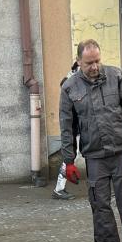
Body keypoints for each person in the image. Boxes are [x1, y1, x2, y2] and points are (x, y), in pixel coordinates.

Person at [59, 39, 122, 242]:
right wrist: (68, 161)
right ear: (79, 62)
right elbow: (67, 128)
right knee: (100, 206)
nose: (94, 66)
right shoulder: (69, 89)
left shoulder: (116, 77)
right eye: (89, 63)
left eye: (97, 61)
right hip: (95, 157)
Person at [53, 61, 81, 201]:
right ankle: (59, 189)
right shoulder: (71, 82)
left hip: (77, 125)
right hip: (74, 126)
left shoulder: (71, 80)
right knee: (70, 156)